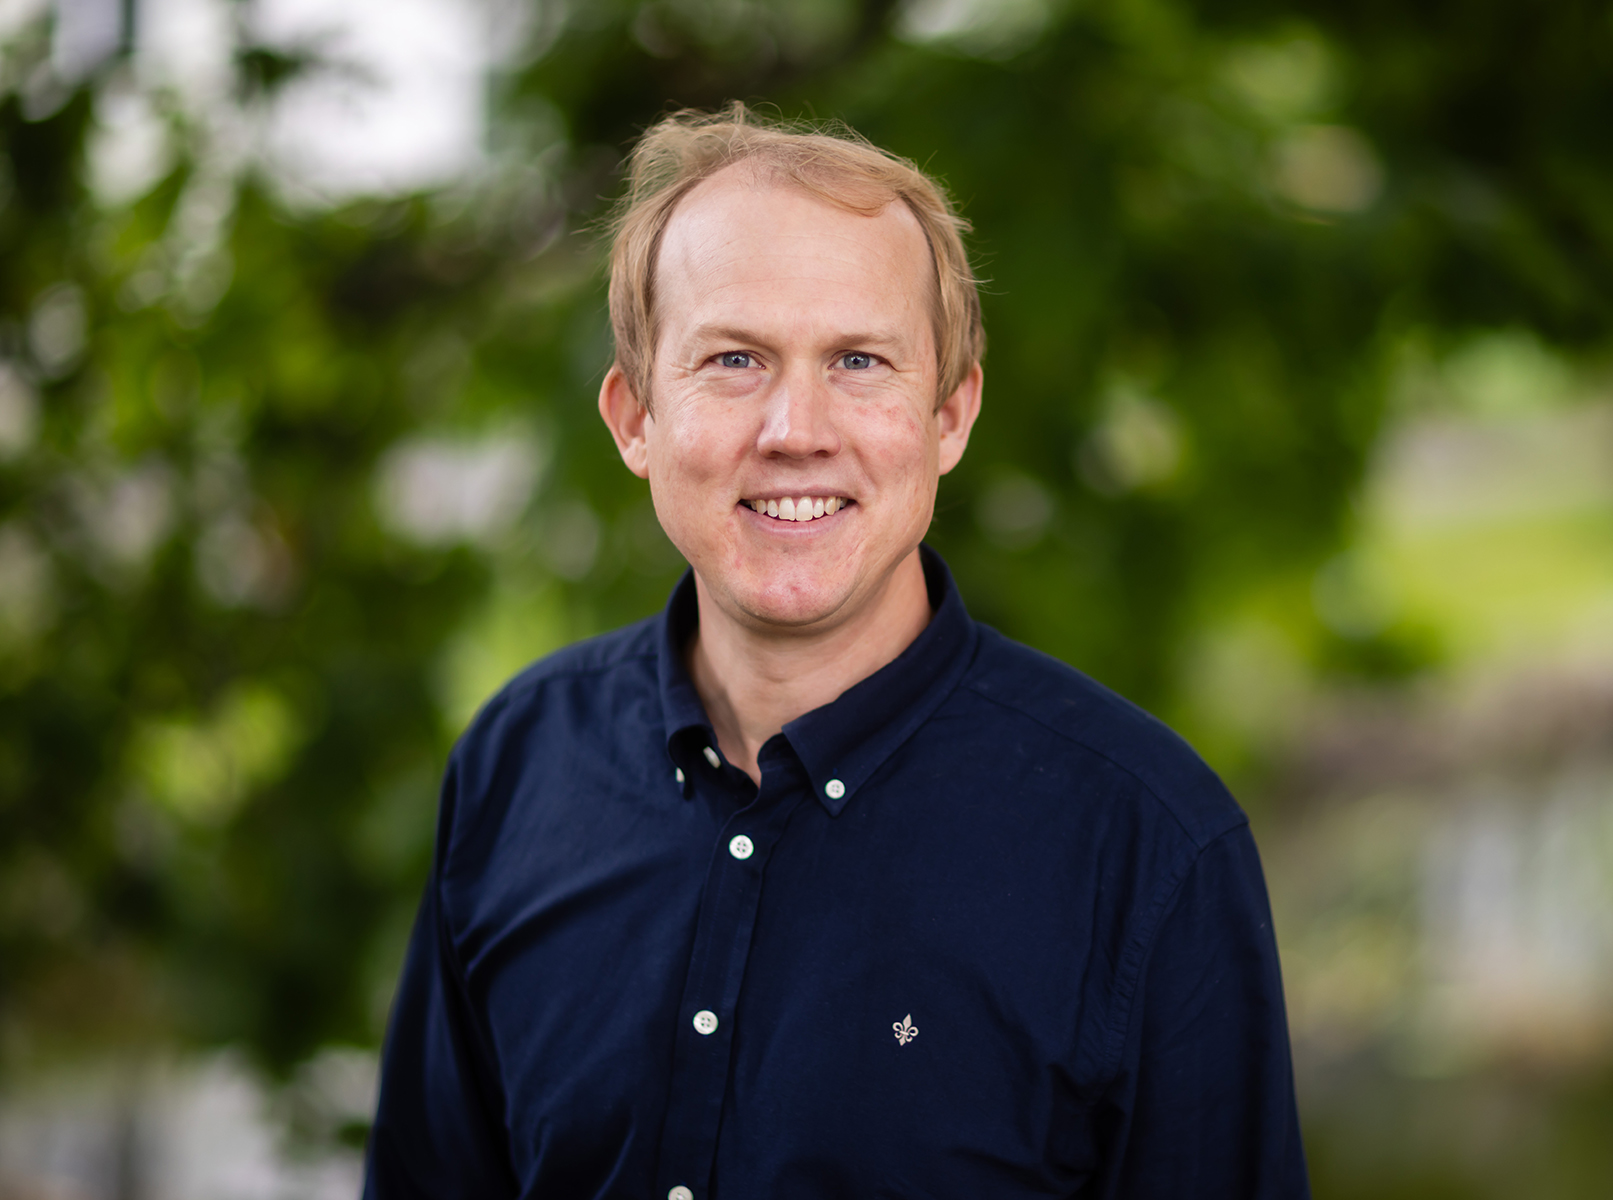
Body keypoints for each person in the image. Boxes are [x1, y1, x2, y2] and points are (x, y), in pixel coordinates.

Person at [364, 104, 1310, 1199]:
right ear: (633, 419)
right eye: (732, 359)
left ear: (949, 416)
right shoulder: (516, 767)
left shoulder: (1147, 847)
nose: (795, 428)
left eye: (859, 360)